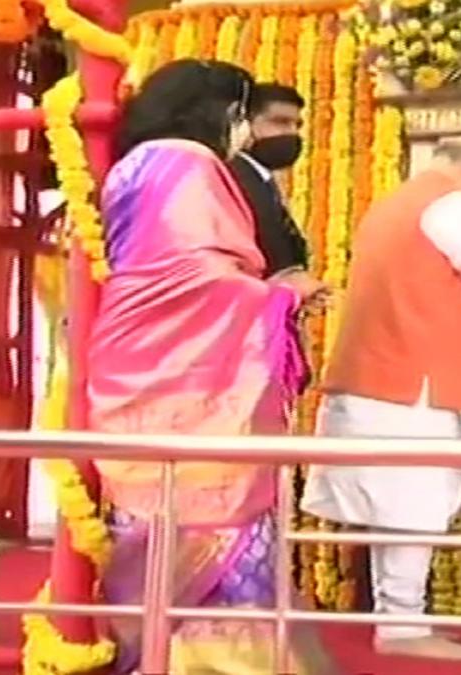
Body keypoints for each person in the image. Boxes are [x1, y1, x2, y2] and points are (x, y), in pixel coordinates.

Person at [90, 59, 327, 674]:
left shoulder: (132, 163)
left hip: (136, 354)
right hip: (191, 367)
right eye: (244, 114)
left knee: (154, 515)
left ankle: (158, 655)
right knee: (217, 517)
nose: (246, 131)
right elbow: (197, 277)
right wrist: (280, 297)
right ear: (221, 111)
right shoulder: (187, 163)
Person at [301, 136, 461, 661]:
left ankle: (399, 619)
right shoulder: (455, 205)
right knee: (413, 508)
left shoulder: (390, 205)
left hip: (380, 375)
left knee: (394, 509)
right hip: (420, 383)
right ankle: (403, 626)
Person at [227, 83, 325, 296]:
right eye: (280, 122)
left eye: (297, 125)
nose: (292, 133)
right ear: (245, 125)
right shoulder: (237, 177)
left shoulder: (259, 177)